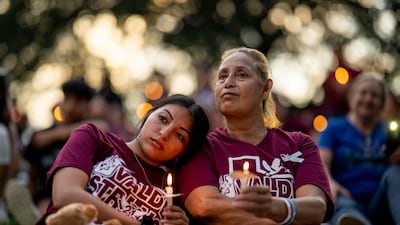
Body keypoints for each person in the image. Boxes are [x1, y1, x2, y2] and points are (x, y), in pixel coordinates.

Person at [177, 47, 334, 225]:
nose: (228, 82)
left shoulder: (299, 144)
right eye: (222, 76)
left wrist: (272, 207)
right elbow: (205, 205)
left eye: (241, 75)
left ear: (265, 89)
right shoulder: (202, 147)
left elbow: (316, 208)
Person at [35, 94, 210, 225]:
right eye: (162, 119)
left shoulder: (173, 190)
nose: (164, 134)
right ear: (147, 115)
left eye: (179, 136)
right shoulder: (93, 138)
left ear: (184, 150)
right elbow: (65, 195)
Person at [317, 73, 400, 225]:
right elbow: (321, 164)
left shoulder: (389, 131)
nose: (368, 99)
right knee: (343, 206)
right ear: (352, 96)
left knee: (395, 173)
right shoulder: (334, 128)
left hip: (382, 200)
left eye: (374, 95)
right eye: (363, 93)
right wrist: (330, 183)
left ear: (382, 103)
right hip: (347, 197)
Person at [24, 79, 108, 214]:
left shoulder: (92, 134)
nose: (70, 107)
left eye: (78, 101)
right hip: (45, 197)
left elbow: (103, 126)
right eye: (67, 99)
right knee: (46, 206)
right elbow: (32, 176)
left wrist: (59, 133)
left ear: (88, 105)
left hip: (79, 197)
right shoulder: (41, 135)